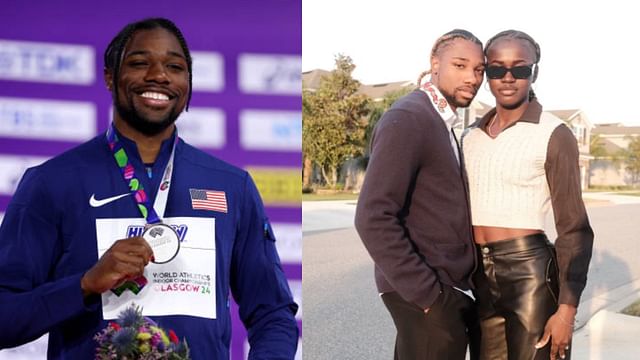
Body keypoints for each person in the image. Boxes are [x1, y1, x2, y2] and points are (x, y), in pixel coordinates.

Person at [0, 18, 298, 359]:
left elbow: (274, 313)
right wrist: (84, 285)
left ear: (187, 84)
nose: (159, 75)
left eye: (175, 66)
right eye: (140, 63)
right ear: (110, 77)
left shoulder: (232, 186)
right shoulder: (51, 182)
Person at [461, 30, 593, 360]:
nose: (508, 78)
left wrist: (566, 311)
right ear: (486, 73)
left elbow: (574, 228)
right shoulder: (468, 137)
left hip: (530, 274)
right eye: (496, 69)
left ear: (535, 71)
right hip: (478, 273)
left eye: (519, 69)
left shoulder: (553, 133)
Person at [354, 29, 485, 360]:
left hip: (441, 289)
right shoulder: (410, 117)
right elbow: (373, 215)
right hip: (426, 291)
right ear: (435, 63)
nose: (472, 77)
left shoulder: (439, 121)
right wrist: (428, 295)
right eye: (460, 65)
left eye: (479, 69)